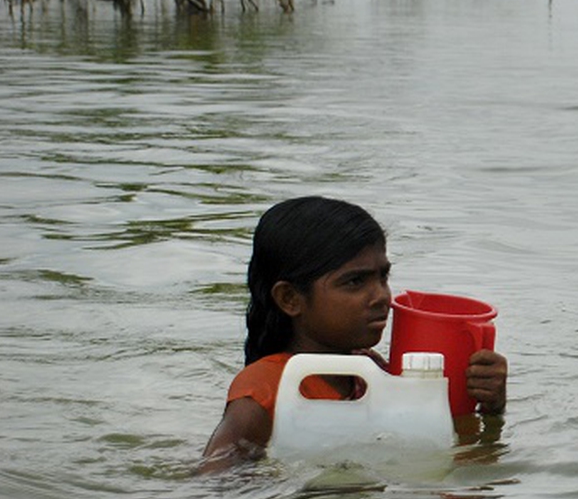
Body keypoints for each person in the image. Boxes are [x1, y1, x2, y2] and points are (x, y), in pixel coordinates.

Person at [200, 197, 508, 472]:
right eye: (355, 282)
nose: (382, 297)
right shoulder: (264, 390)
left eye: (383, 276)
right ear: (290, 299)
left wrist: (490, 409)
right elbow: (211, 485)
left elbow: (437, 449)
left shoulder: (370, 371)